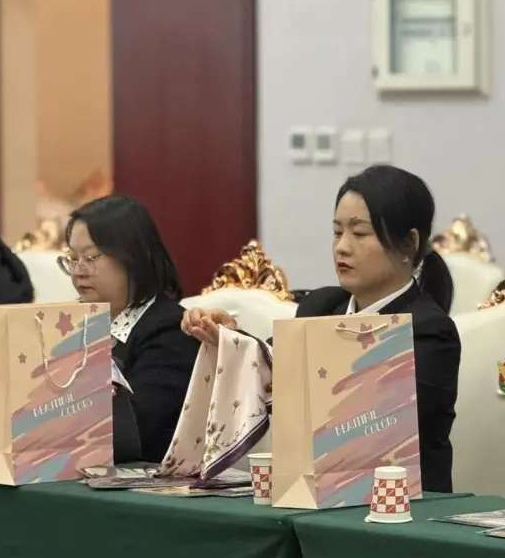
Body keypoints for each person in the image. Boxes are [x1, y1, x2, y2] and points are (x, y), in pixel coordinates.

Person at [183, 165, 461, 492]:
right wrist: (230, 338)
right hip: (314, 495)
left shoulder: (429, 330)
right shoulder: (322, 306)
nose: (342, 247)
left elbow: (369, 425)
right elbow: (273, 364)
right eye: (337, 232)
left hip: (401, 504)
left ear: (409, 243)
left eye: (360, 234)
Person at [0, 195, 198, 463]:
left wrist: (24, 434)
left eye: (91, 258)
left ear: (133, 257)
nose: (78, 271)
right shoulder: (72, 319)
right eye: (72, 259)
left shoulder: (172, 329)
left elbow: (138, 428)